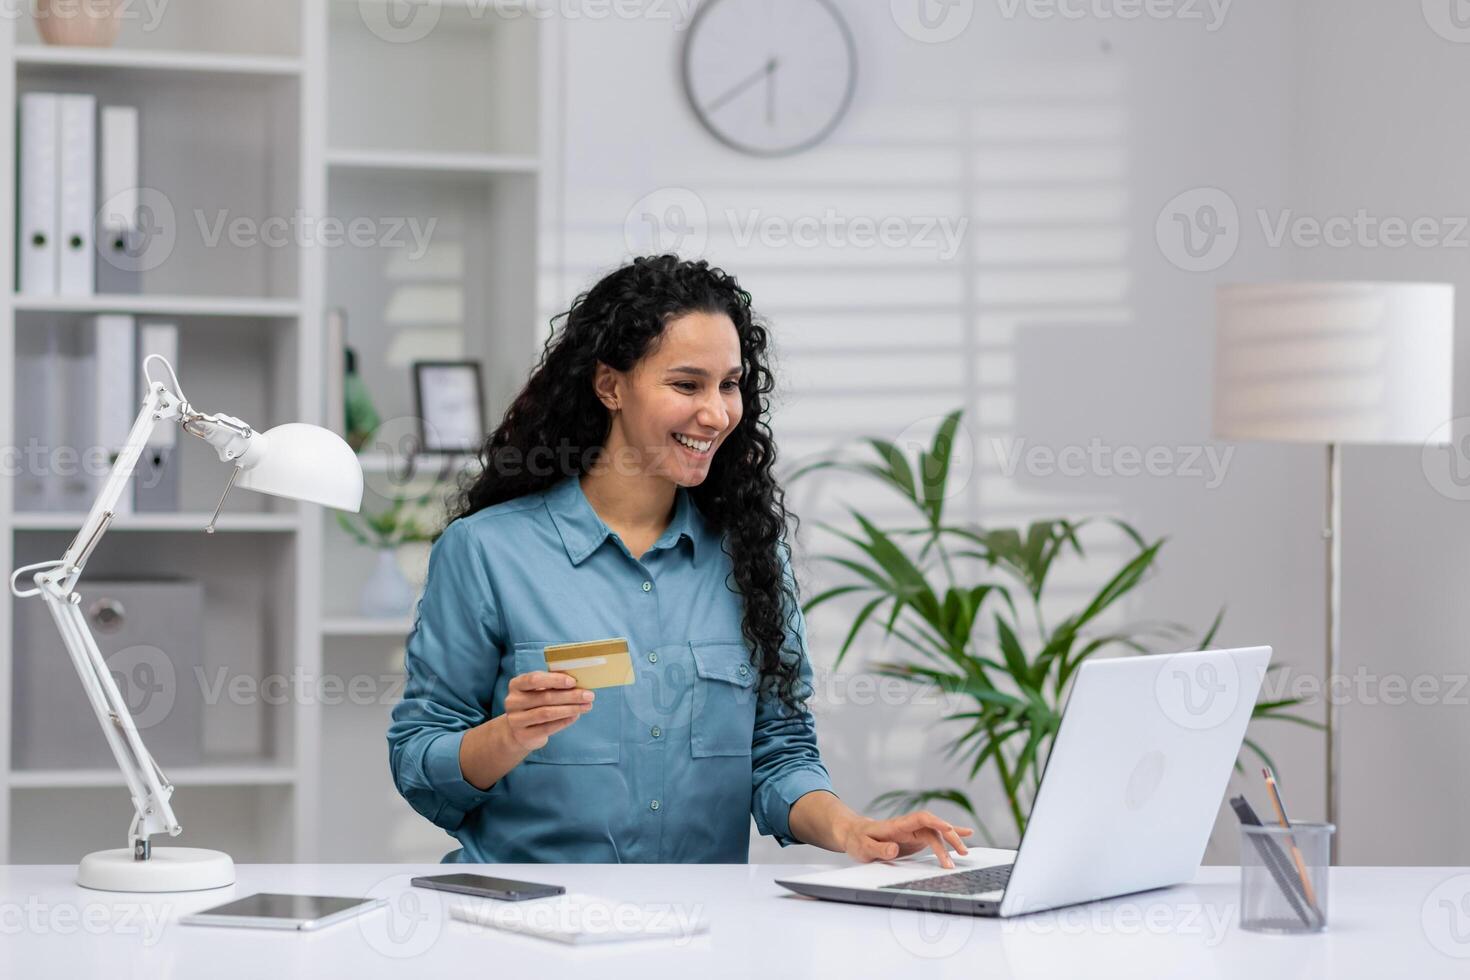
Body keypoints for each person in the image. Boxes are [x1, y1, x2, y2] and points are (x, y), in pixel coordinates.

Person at [388, 255, 973, 865]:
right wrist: (506, 738)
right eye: (687, 385)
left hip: (700, 933)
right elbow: (418, 760)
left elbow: (778, 752)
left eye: (729, 384)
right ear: (610, 385)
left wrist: (850, 830)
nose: (717, 413)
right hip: (528, 926)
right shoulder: (486, 552)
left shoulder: (750, 555)